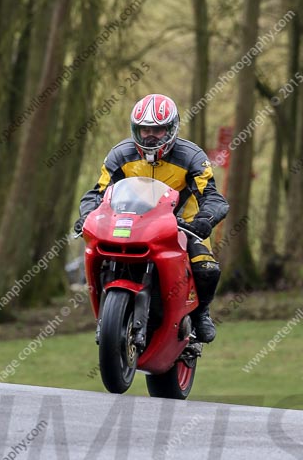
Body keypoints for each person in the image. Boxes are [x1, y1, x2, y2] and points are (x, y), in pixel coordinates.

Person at [73, 93, 229, 342]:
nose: (150, 136)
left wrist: (204, 220)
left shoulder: (193, 157)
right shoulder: (119, 155)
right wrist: (87, 216)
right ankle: (108, 314)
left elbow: (213, 197)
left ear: (172, 129)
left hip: (182, 226)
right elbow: (97, 192)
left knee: (206, 268)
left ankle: (201, 314)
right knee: (100, 253)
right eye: (144, 129)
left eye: (158, 130)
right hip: (129, 222)